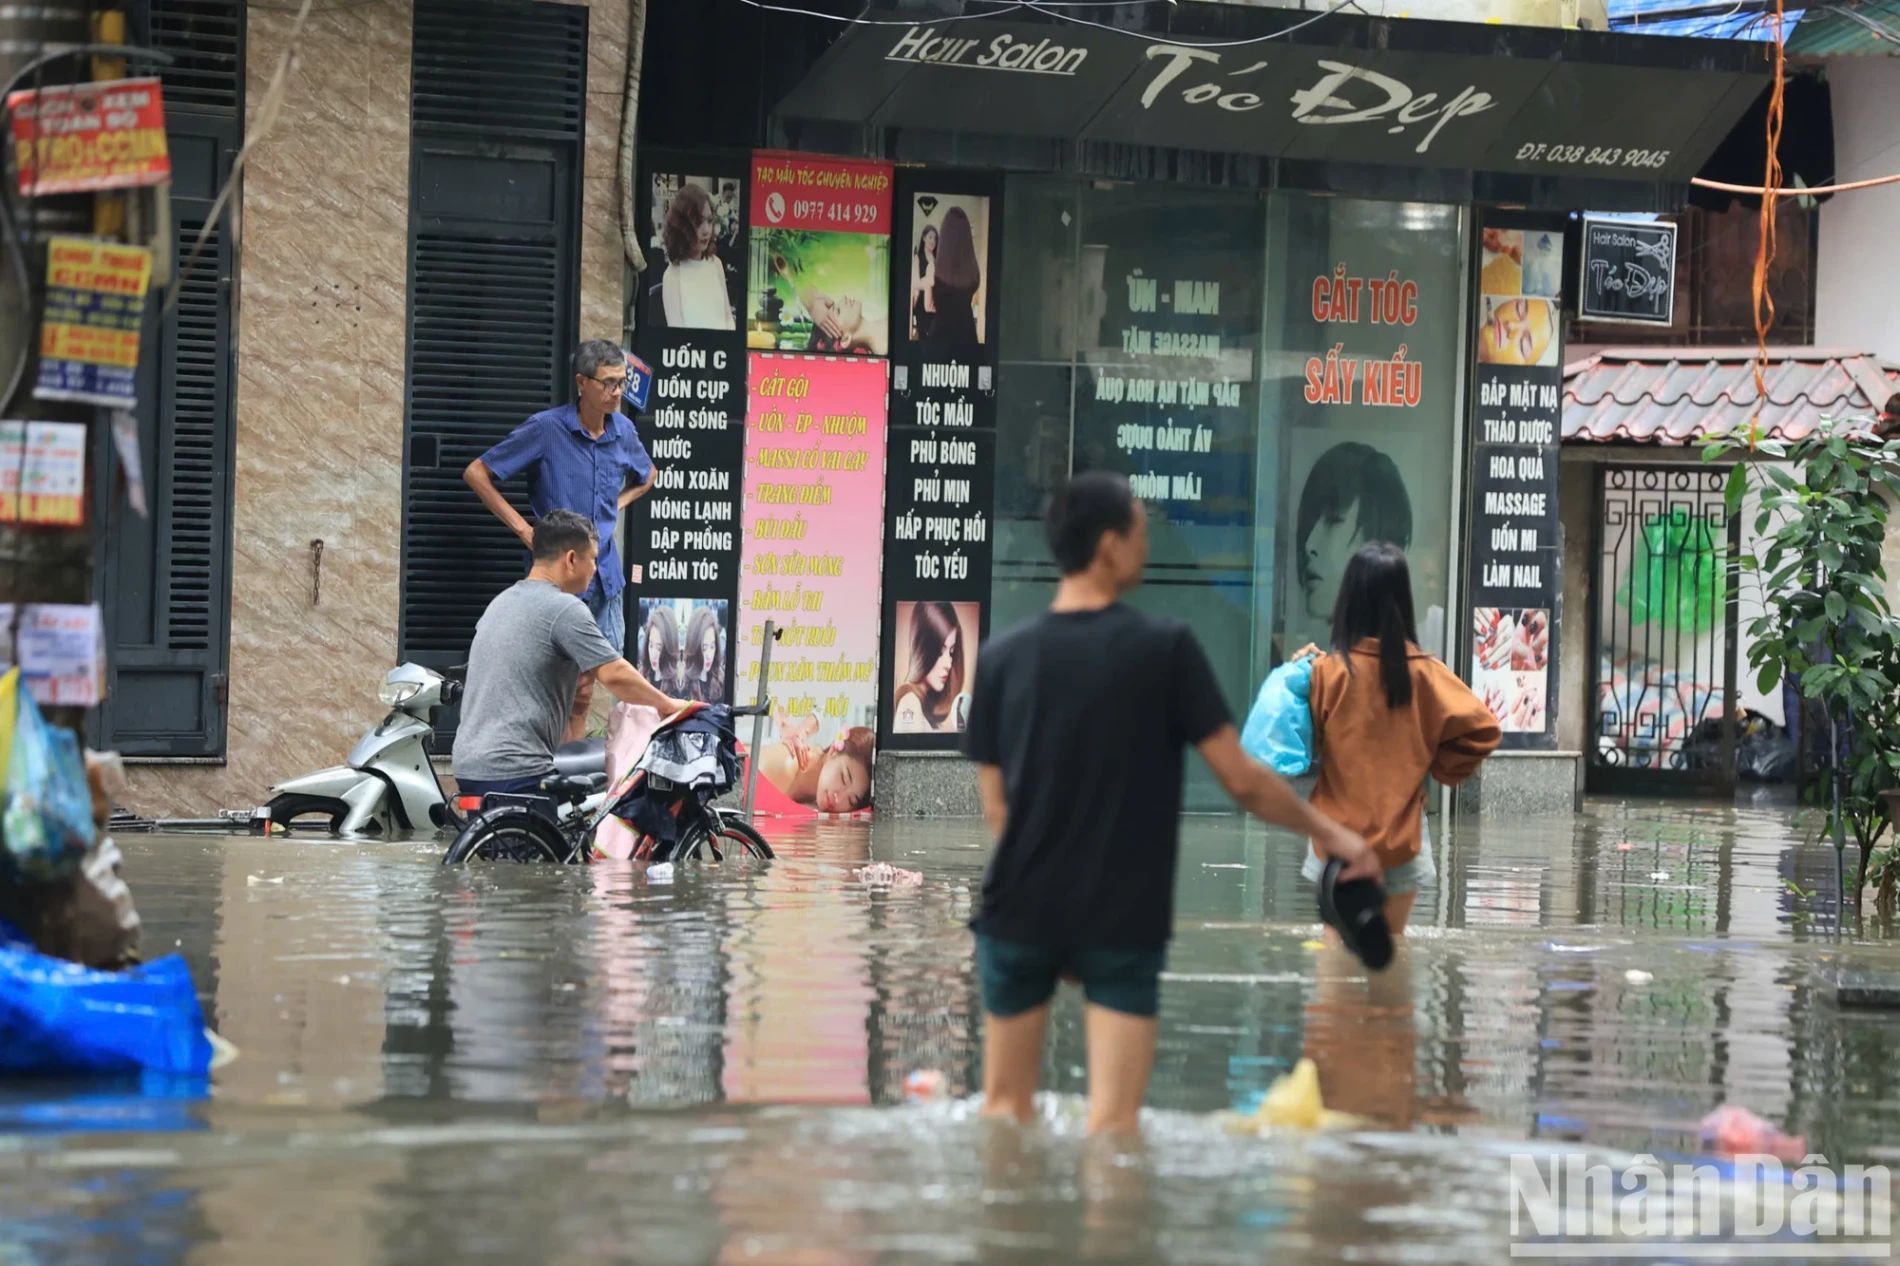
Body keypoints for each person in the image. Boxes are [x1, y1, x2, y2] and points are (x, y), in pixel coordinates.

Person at [963, 471, 1378, 1136]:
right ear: (1106, 546)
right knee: (1114, 1127)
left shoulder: (1001, 659)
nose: (1148, 543)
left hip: (1019, 910)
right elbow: (1242, 779)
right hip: (1119, 916)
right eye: (1139, 530)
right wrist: (1331, 833)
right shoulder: (1164, 650)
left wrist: (1046, 903)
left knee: (1003, 1113)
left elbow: (997, 811)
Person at [1298, 542, 1501, 935]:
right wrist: (1438, 766)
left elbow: (1296, 740)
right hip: (1401, 841)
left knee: (1336, 967)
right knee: (1390, 961)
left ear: (1349, 598)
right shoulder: (1426, 674)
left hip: (1336, 842)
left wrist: (1302, 672)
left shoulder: (1326, 671)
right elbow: (1484, 729)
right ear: (1402, 600)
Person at [464, 339, 657, 741]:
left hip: (604, 578)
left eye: (621, 383)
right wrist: (525, 530)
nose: (616, 392)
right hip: (557, 583)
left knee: (590, 688)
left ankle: (576, 783)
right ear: (582, 383)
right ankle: (552, 773)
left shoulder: (623, 430)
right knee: (559, 688)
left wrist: (612, 509)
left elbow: (647, 475)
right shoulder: (546, 428)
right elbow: (477, 473)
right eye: (607, 383)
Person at [451, 511, 687, 801]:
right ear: (571, 559)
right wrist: (668, 705)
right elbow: (615, 674)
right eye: (594, 559)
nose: (596, 570)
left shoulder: (501, 602)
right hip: (516, 769)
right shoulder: (564, 608)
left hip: (468, 764)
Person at [659, 182, 736, 330]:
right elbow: (676, 336)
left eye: (709, 221)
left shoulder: (716, 264)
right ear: (683, 226)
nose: (706, 230)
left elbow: (727, 318)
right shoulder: (672, 276)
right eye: (698, 222)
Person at [757, 717, 873, 813]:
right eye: (843, 778)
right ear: (834, 750)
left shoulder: (815, 804)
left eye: (851, 800)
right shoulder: (785, 763)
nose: (838, 798)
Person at [891, 600, 967, 733]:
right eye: (939, 652)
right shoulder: (910, 703)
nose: (948, 664)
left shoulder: (921, 704)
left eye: (951, 652)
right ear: (921, 650)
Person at [927, 206, 982, 345]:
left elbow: (929, 306)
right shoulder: (972, 270)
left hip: (940, 335)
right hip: (966, 332)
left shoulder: (934, 269)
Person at [640, 604, 685, 698]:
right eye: (651, 645)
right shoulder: (640, 676)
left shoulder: (678, 683)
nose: (653, 654)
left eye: (659, 647)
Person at [683, 605, 725, 704]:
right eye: (704, 648)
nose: (709, 655)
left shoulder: (721, 678)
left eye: (712, 647)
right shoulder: (683, 681)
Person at [910, 223, 938, 341]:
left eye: (935, 238)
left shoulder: (938, 258)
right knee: (924, 335)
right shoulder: (918, 258)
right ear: (924, 238)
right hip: (922, 303)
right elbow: (915, 283)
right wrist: (929, 281)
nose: (933, 241)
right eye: (930, 237)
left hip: (937, 303)